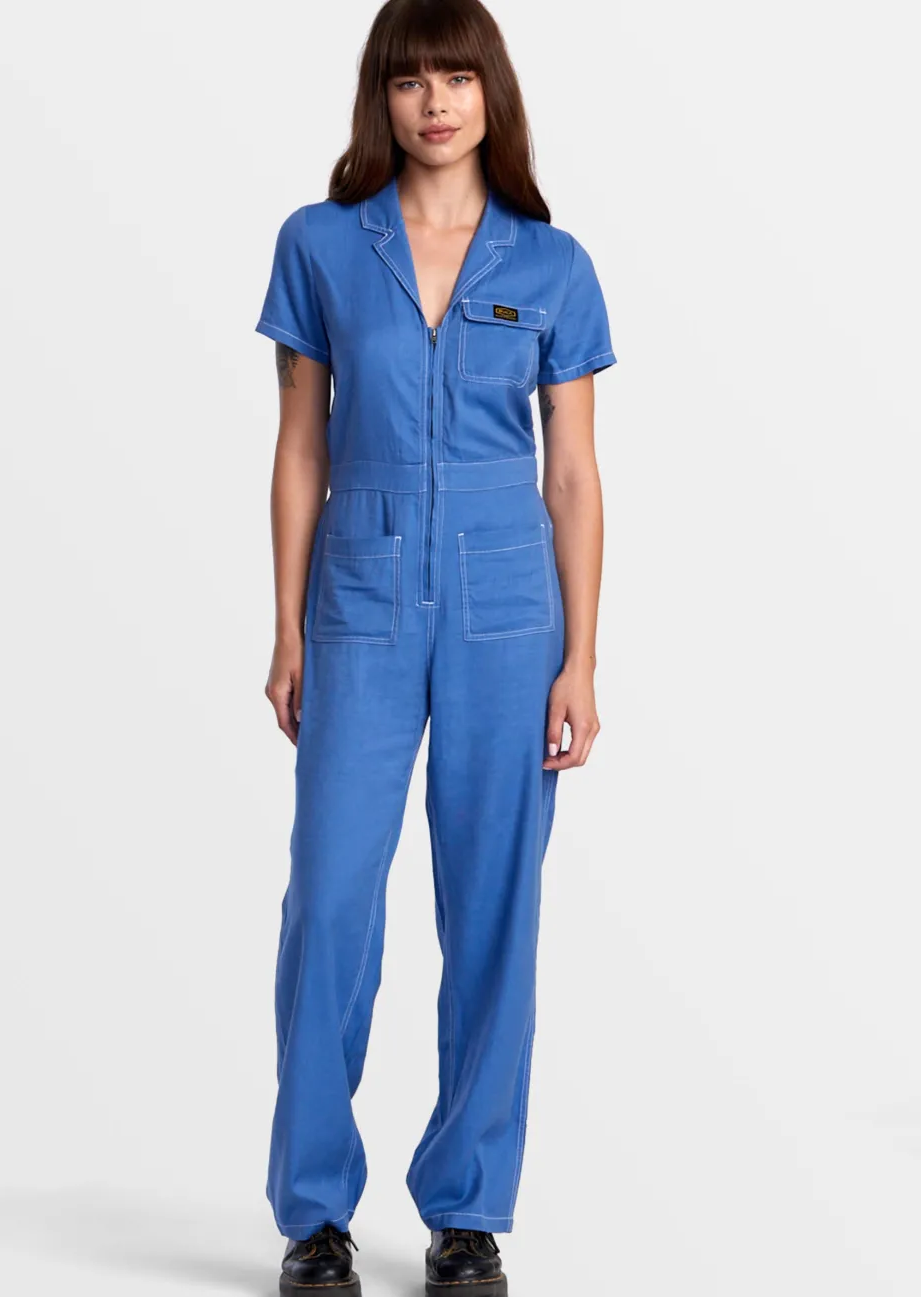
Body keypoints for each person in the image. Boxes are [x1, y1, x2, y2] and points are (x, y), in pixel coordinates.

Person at [255, 1, 616, 1292]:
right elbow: (301, 447)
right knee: (330, 900)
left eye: (458, 77)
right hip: (357, 595)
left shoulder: (552, 262)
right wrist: (288, 626)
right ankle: (314, 1213)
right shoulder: (321, 244)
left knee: (496, 906)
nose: (436, 102)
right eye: (411, 80)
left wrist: (581, 660)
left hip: (509, 604)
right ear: (383, 98)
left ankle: (468, 1212)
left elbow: (572, 476)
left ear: (489, 93)